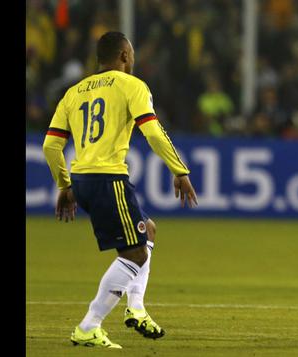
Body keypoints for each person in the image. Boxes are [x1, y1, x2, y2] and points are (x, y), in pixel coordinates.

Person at [43, 31, 198, 349]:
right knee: (136, 253)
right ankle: (89, 325)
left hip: (82, 180)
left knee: (148, 231)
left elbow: (51, 145)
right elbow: (153, 132)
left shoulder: (73, 92)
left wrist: (64, 184)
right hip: (107, 179)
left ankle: (136, 308)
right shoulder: (132, 85)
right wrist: (179, 170)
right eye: (132, 55)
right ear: (125, 55)